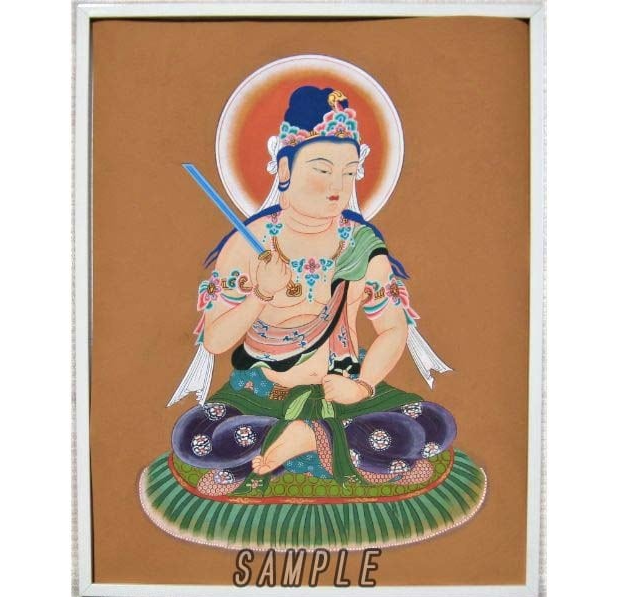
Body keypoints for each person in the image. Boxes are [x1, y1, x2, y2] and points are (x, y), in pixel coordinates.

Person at [169, 86, 458, 495]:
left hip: (343, 394)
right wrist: (261, 295)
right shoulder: (247, 245)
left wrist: (362, 386)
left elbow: (394, 329)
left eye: (349, 172)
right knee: (196, 436)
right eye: (322, 170)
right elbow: (215, 342)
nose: (337, 185)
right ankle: (330, 447)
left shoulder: (361, 243)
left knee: (432, 424)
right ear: (285, 169)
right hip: (263, 396)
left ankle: (298, 443)